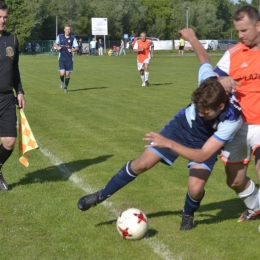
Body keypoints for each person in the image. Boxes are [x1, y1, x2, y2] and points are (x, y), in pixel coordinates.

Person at [77, 28, 243, 230]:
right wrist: (191, 37)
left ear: (220, 107)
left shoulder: (232, 119)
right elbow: (204, 59)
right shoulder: (208, 83)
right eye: (198, 108)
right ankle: (100, 195)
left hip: (206, 142)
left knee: (196, 188)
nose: (200, 114)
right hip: (180, 127)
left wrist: (168, 144)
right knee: (142, 164)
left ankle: (188, 214)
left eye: (205, 112)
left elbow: (202, 155)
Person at [214, 6, 260, 222]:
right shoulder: (233, 54)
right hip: (237, 124)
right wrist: (219, 80)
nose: (240, 36)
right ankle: (255, 206)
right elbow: (211, 80)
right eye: (238, 31)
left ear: (258, 26)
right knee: (234, 181)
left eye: (244, 30)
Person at [0, 1, 26, 191]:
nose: (2, 21)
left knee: (9, 141)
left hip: (7, 98)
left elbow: (14, 68)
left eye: (5, 18)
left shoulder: (13, 40)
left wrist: (21, 91)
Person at [53, 24, 79, 93]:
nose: (68, 30)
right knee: (62, 73)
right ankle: (61, 81)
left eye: (69, 29)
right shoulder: (60, 36)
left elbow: (77, 47)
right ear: (64, 30)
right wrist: (58, 47)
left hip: (69, 59)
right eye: (66, 29)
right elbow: (55, 43)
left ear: (70, 30)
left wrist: (72, 50)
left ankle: (65, 87)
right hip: (61, 58)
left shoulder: (73, 38)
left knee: (67, 74)